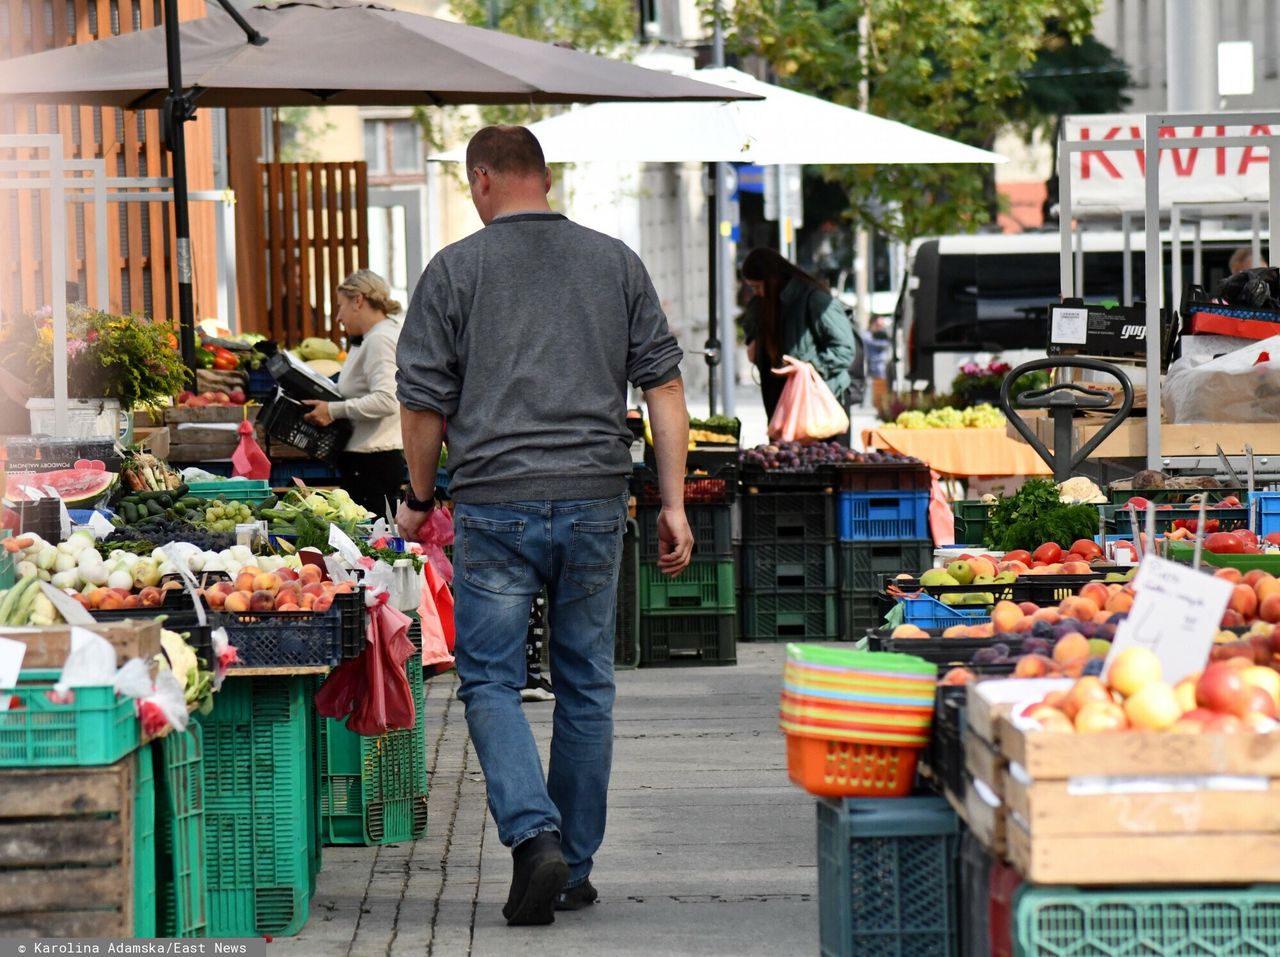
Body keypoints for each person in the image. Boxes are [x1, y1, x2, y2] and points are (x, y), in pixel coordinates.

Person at [393, 125, 694, 927]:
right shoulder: (615, 262)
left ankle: (534, 837)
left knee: (489, 677)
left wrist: (419, 496)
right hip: (597, 498)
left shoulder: (455, 269)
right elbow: (664, 390)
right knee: (585, 681)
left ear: (483, 179)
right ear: (547, 177)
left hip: (494, 505)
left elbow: (421, 401)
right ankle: (574, 866)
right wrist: (673, 503)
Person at [302, 269, 404, 517]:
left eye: (341, 306)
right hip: (367, 461)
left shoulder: (379, 340)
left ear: (358, 300)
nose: (338, 317)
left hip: (372, 464)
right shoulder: (371, 338)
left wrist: (334, 410)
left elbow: (388, 399)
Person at [739, 247, 857, 421]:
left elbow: (844, 349)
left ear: (772, 280)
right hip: (784, 405)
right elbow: (752, 327)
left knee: (821, 450)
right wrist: (755, 342)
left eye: (757, 286)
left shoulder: (814, 299)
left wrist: (807, 368)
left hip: (820, 406)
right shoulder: (764, 303)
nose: (755, 293)